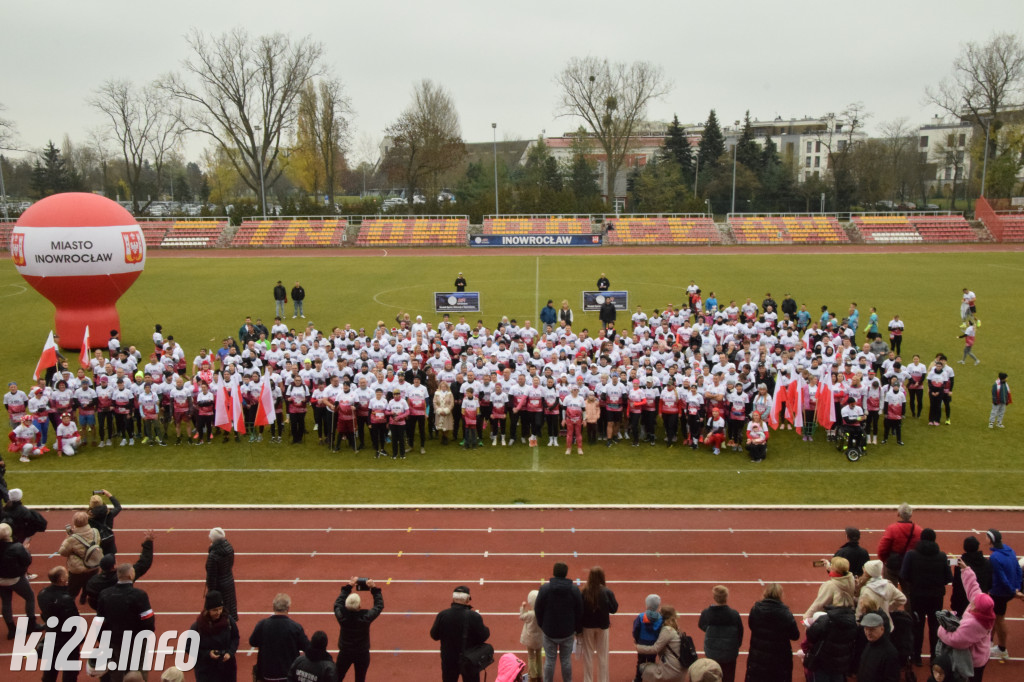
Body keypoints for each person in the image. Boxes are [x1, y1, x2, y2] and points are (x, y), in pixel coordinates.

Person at [899, 527, 952, 665]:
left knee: (917, 626)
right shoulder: (942, 556)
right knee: (935, 626)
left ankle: (916, 656)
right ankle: (934, 656)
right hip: (936, 597)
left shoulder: (911, 555)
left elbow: (904, 574)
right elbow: (948, 577)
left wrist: (914, 582)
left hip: (917, 596)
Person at [96, 564, 156, 682]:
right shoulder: (140, 595)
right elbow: (148, 620)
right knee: (138, 671)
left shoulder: (105, 594)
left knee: (116, 672)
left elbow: (99, 621)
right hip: (136, 641)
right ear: (130, 575)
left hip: (114, 640)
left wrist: (103, 640)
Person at [938, 559, 996, 681]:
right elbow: (974, 588)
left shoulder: (975, 624)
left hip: (972, 662)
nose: (973, 601)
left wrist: (942, 629)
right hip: (981, 655)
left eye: (975, 602)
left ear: (977, 608)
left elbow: (955, 640)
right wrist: (965, 569)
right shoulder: (984, 611)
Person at [534, 561, 583, 682]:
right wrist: (577, 628)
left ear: (554, 572)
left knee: (550, 660)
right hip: (567, 631)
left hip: (549, 631)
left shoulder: (545, 589)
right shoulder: (574, 590)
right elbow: (580, 610)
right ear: (566, 573)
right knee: (566, 660)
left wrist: (542, 624)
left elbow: (538, 608)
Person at [430, 585, 490, 682]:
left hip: (449, 660)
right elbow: (484, 636)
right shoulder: (474, 616)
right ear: (467, 599)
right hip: (470, 659)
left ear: (453, 599)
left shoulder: (443, 615)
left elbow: (434, 635)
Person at [85, 530, 155, 609]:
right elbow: (144, 563)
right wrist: (148, 543)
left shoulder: (93, 582)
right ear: (114, 566)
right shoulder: (124, 577)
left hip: (104, 609)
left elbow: (91, 598)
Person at [249, 594, 311, 682]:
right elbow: (307, 648)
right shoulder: (295, 627)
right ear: (288, 608)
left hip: (267, 674)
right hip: (289, 674)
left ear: (273, 607)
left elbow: (252, 642)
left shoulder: (262, 625)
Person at [745, 582, 799, 682]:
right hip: (779, 659)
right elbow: (795, 635)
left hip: (758, 657)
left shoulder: (756, 610)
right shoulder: (785, 613)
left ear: (765, 593)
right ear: (780, 595)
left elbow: (752, 626)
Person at [333, 577, 384, 682]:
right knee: (360, 679)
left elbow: (337, 604)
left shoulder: (342, 616)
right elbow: (379, 606)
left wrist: (349, 586)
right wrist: (374, 589)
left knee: (337, 677)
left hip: (345, 652)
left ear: (346, 605)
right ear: (360, 606)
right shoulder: (365, 618)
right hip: (362, 653)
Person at [985, 528, 1023, 662]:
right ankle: (989, 642)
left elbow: (1002, 578)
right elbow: (1018, 570)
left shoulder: (994, 557)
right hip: (1009, 589)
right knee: (994, 616)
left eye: (987, 537)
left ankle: (1002, 649)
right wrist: (1017, 587)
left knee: (999, 619)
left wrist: (1012, 590)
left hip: (1000, 592)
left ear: (991, 540)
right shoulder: (1009, 550)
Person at [38, 566, 79, 682]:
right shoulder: (65, 599)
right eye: (66, 574)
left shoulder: (42, 593)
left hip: (51, 635)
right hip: (66, 638)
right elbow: (73, 620)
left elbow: (44, 614)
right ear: (61, 579)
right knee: (70, 671)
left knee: (50, 669)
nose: (68, 575)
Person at [189, 590, 239, 682]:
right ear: (207, 610)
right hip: (206, 671)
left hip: (227, 669)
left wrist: (230, 653)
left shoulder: (228, 621)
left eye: (220, 608)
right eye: (215, 610)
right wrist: (208, 654)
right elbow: (189, 648)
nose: (218, 612)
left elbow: (235, 638)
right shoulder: (197, 626)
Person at [0, 522, 39, 638]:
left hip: (1, 580)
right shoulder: (17, 547)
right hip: (15, 579)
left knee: (6, 602)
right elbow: (27, 560)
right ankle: (32, 624)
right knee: (30, 597)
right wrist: (25, 550)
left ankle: (11, 629)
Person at [579, 566, 618, 682]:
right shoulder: (607, 591)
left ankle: (588, 680)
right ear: (602, 577)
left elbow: (580, 610)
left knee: (588, 656)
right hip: (603, 626)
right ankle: (603, 680)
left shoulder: (584, 591)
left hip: (587, 626)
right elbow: (614, 609)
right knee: (603, 656)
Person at [698, 585, 743, 682]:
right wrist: (735, 646)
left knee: (712, 678)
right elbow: (740, 633)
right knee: (728, 678)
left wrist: (710, 632)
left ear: (714, 597)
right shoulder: (734, 614)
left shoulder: (707, 613)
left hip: (712, 653)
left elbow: (701, 625)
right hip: (729, 654)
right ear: (726, 597)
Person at [804, 605, 858, 682]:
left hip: (822, 664)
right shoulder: (852, 622)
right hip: (840, 665)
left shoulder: (825, 620)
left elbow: (811, 636)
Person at [58, 511, 102, 604]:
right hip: (93, 565)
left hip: (77, 570)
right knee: (89, 584)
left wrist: (68, 537)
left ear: (74, 522)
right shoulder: (95, 531)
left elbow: (62, 552)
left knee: (72, 591)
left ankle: (70, 605)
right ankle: (83, 597)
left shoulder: (71, 539)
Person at [635, 605, 685, 682]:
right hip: (681, 671)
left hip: (672, 671)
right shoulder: (676, 628)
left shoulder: (667, 630)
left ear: (662, 617)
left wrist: (638, 647)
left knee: (643, 667)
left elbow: (655, 649)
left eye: (659, 613)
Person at [877, 502, 922, 587]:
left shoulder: (892, 529)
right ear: (911, 515)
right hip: (910, 565)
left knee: (890, 591)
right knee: (908, 591)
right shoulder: (918, 530)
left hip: (893, 564)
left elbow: (883, 548)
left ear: (898, 514)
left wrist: (885, 560)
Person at [951, 536, 991, 617]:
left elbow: (956, 586)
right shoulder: (987, 563)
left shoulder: (960, 565)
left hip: (962, 602)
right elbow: (990, 583)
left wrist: (954, 603)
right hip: (981, 601)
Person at [857, 611, 900, 682]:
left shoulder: (890, 653)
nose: (868, 633)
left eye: (872, 629)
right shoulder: (869, 644)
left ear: (882, 629)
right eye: (866, 629)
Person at [207, 527, 238, 621]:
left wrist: (211, 592)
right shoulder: (229, 548)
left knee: (218, 613)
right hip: (229, 582)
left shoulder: (214, 555)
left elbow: (211, 576)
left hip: (218, 587)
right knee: (229, 610)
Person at [632, 595, 663, 682]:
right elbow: (661, 632)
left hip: (642, 643)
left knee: (640, 661)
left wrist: (636, 639)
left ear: (647, 605)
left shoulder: (641, 617)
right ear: (658, 606)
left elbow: (635, 629)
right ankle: (650, 678)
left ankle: (638, 679)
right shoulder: (660, 618)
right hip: (653, 644)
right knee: (652, 662)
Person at [89, 489, 122, 555]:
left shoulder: (88, 517)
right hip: (109, 542)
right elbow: (118, 507)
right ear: (102, 502)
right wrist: (108, 494)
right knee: (110, 560)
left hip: (96, 544)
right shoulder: (109, 514)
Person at [520, 590, 543, 682]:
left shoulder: (530, 614)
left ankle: (533, 676)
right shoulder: (541, 613)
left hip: (530, 639)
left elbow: (522, 616)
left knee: (531, 657)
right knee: (539, 655)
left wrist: (523, 607)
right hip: (539, 639)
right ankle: (540, 674)